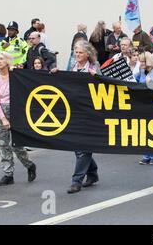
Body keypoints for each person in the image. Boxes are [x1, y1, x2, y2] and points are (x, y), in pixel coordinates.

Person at [0, 52, 37, 186]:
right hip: (2, 111)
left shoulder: (15, 75)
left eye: (1, 59)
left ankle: (29, 165)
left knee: (16, 144)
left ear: (7, 61)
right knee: (3, 144)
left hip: (16, 110)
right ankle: (8, 174)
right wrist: (3, 118)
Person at [62, 40, 101, 193]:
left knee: (83, 148)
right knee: (77, 146)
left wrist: (95, 77)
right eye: (76, 52)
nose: (77, 55)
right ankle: (92, 172)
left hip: (89, 114)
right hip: (74, 112)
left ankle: (76, 181)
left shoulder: (94, 67)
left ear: (87, 54)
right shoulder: (72, 68)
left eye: (80, 53)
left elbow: (103, 86)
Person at [135, 52, 153, 165]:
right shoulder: (141, 71)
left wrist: (151, 83)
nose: (140, 63)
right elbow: (135, 80)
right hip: (143, 104)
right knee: (144, 130)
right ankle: (146, 155)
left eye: (142, 61)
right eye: (140, 61)